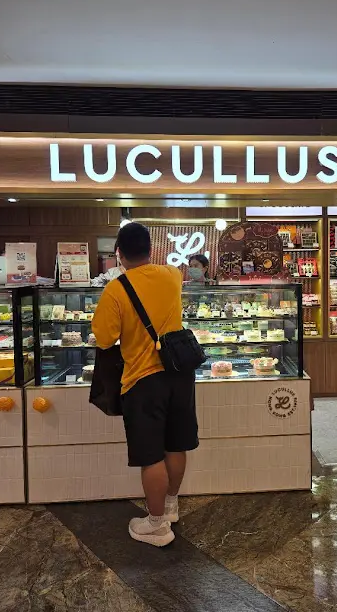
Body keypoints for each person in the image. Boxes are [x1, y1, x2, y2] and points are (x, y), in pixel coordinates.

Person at [92, 222, 198, 547]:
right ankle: (170, 506)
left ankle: (156, 526)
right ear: (151, 250)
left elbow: (104, 338)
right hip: (179, 373)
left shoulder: (116, 289)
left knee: (151, 455)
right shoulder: (171, 275)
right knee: (175, 444)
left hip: (142, 379)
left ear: (119, 253)